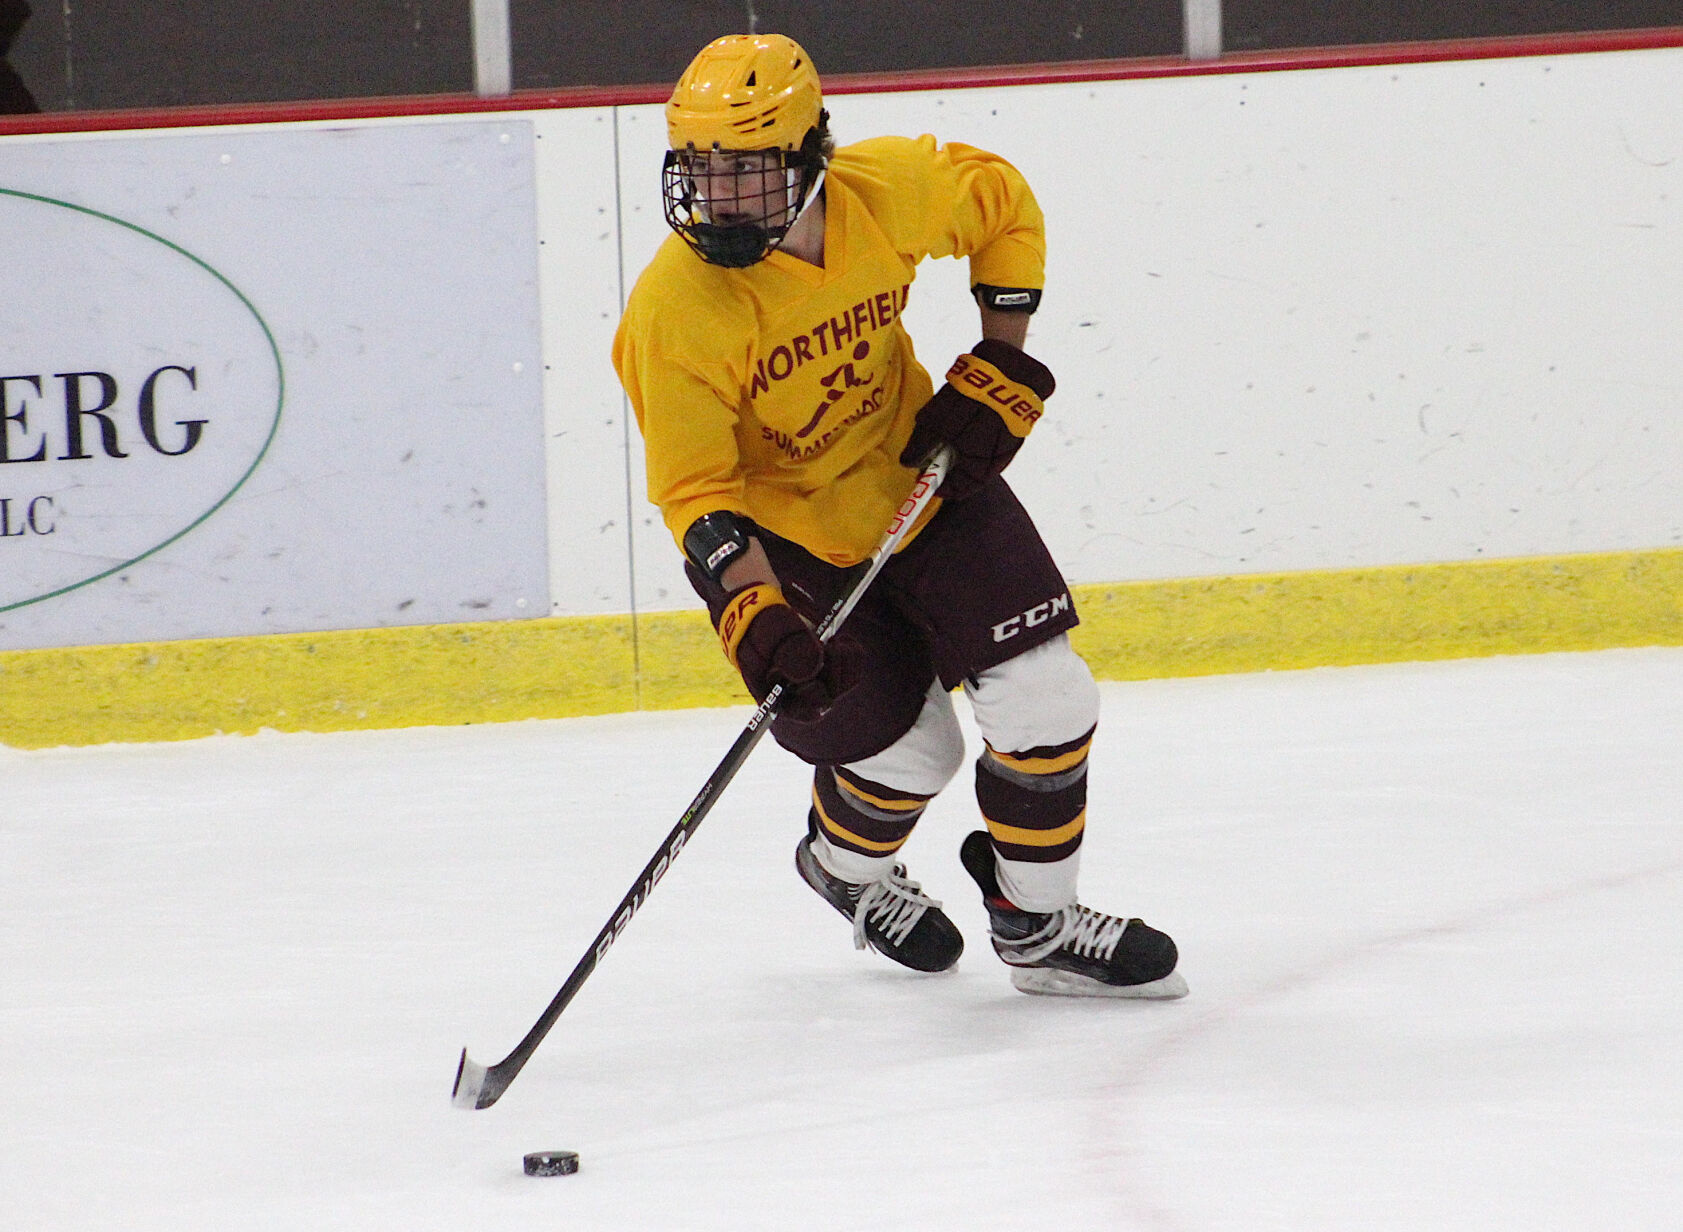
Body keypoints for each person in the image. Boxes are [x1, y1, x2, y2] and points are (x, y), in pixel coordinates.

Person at [612, 32, 1185, 998]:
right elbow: (696, 494)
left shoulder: (888, 192)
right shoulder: (675, 312)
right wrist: (753, 615)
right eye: (700, 169)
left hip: (920, 474)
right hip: (789, 539)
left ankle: (1036, 928)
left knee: (1046, 697)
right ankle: (843, 868)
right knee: (915, 750)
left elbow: (1002, 202)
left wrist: (1000, 357)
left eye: (745, 170)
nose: (717, 195)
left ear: (809, 155)